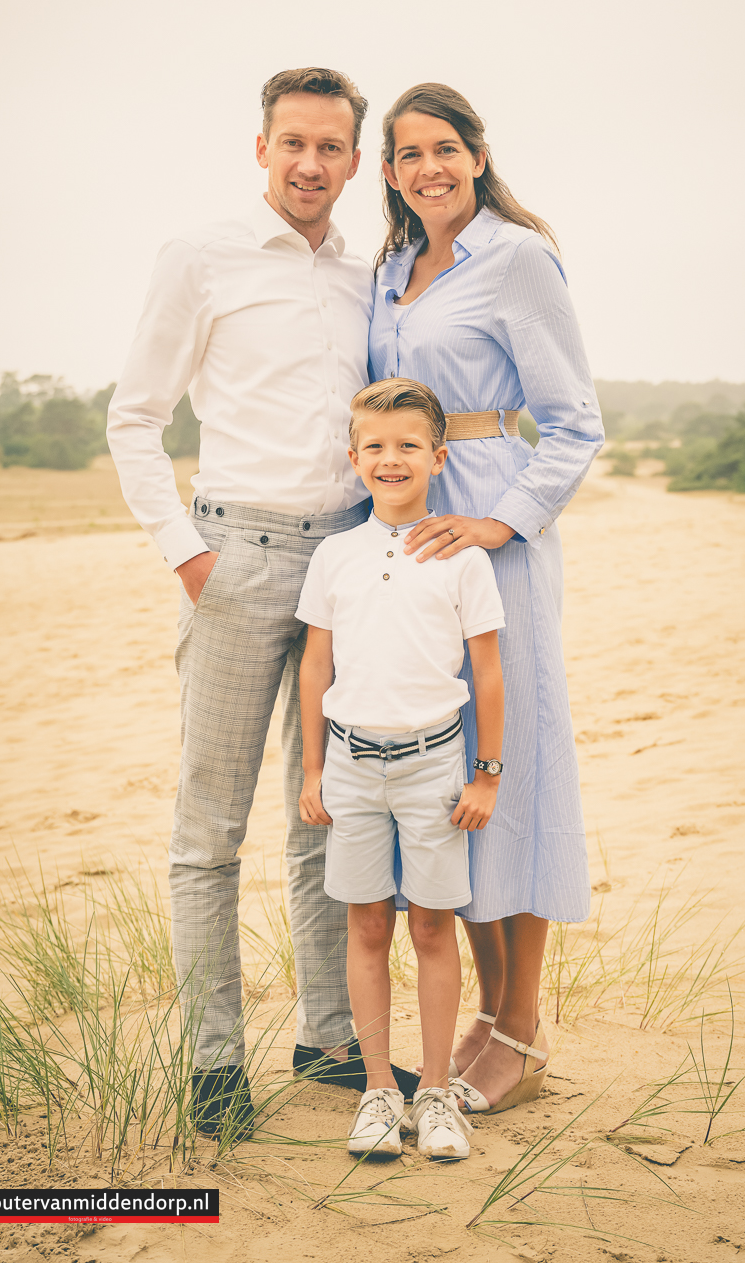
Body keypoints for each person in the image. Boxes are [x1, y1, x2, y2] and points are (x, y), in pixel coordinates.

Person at [106, 67, 418, 1141]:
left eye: (332, 148)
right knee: (208, 833)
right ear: (261, 147)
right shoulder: (200, 259)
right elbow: (133, 419)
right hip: (235, 556)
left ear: (356, 161)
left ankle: (329, 1037)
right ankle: (213, 1062)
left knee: (320, 813)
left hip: (345, 564)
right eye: (293, 143)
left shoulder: (367, 270)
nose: (309, 165)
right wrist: (190, 558)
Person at [368, 83, 605, 1115]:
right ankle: (490, 1009)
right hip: (408, 537)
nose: (431, 167)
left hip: (491, 533)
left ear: (477, 154)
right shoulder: (389, 270)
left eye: (447, 148)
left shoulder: (517, 255)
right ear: (389, 171)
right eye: (410, 153)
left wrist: (501, 522)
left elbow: (576, 422)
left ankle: (522, 1022)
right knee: (442, 765)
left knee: (518, 761)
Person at [296, 379, 506, 1159]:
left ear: (438, 459)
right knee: (365, 921)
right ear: (353, 458)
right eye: (375, 446)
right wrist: (313, 771)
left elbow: (486, 672)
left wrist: (485, 774)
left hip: (433, 768)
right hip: (351, 768)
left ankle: (436, 1092)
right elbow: (316, 665)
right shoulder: (334, 555)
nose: (391, 459)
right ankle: (380, 1089)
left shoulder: (460, 558)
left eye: (408, 445)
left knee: (431, 923)